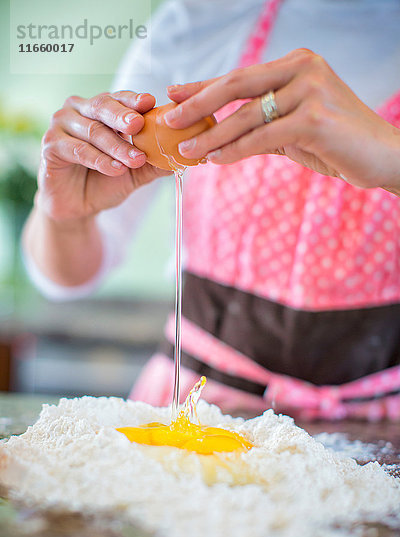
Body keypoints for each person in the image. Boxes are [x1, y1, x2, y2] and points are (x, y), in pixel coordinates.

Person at [23, 0, 400, 421]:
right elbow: (67, 279)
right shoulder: (198, 23)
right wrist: (65, 215)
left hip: (382, 425)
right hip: (194, 410)